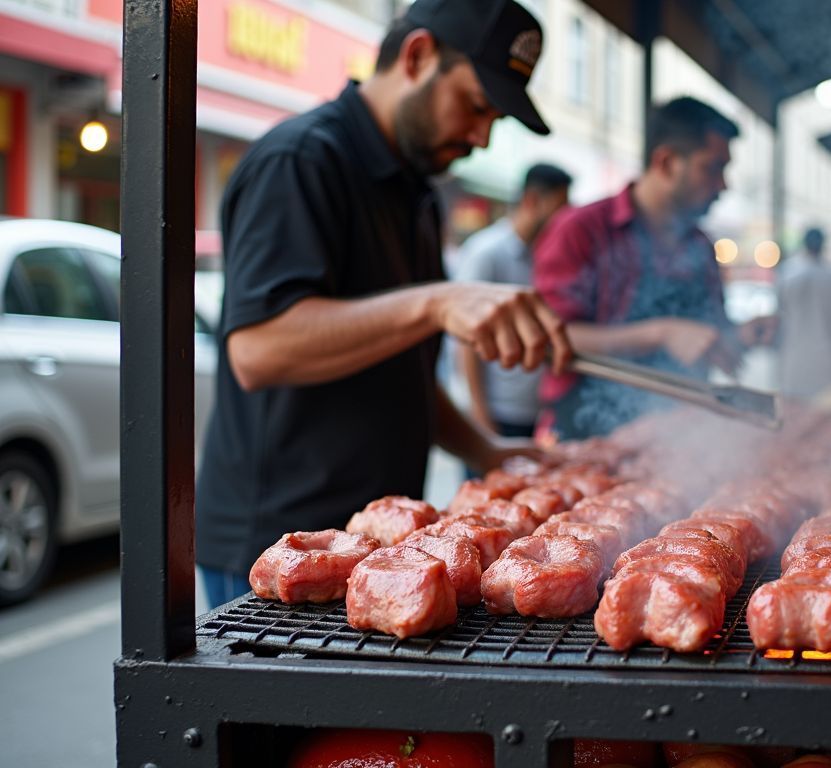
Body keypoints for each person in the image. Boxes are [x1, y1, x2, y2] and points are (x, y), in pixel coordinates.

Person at [195, 0, 572, 608]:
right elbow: (258, 350)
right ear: (418, 56)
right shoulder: (302, 160)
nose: (481, 137)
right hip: (280, 548)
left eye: (494, 119)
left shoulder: (417, 194)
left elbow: (403, 369)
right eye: (477, 106)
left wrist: (485, 449)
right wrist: (436, 303)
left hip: (387, 552)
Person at [533, 97, 770, 440]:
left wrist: (741, 336)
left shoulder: (701, 246)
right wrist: (661, 333)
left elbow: (708, 334)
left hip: (680, 438)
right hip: (584, 433)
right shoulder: (580, 229)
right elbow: (548, 339)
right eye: (713, 168)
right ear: (666, 162)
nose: (724, 185)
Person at [455, 163, 573, 440]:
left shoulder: (546, 255)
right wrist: (480, 414)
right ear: (532, 200)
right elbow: (465, 340)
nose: (565, 220)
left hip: (533, 412)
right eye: (560, 208)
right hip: (494, 412)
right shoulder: (486, 252)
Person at [775, 227, 831, 398]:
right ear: (823, 245)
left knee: (797, 415)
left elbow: (780, 313)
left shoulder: (786, 274)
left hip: (794, 358)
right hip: (829, 357)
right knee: (829, 413)